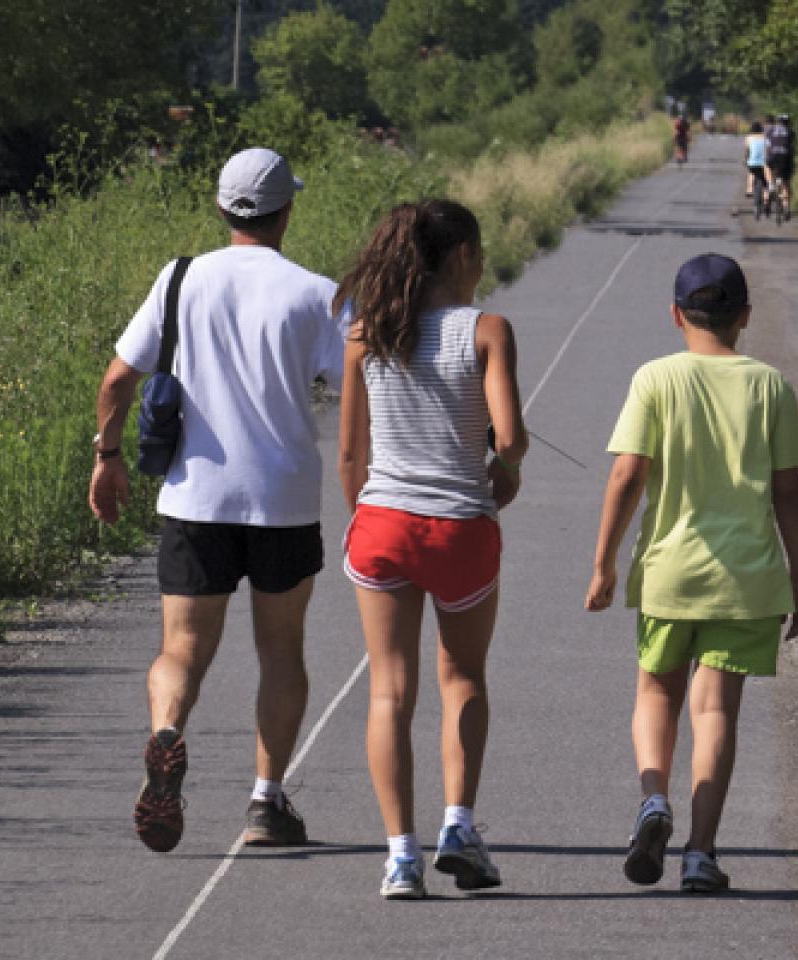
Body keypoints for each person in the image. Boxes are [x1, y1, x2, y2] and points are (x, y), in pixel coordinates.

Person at [89, 147, 343, 854]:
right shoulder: (315, 293)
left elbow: (117, 381)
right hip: (283, 499)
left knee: (181, 648)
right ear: (286, 210)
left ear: (222, 208)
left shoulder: (179, 280)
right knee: (281, 649)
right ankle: (266, 803)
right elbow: (361, 382)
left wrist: (108, 458)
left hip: (195, 499)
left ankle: (167, 732)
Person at [585, 254, 798, 894]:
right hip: (746, 580)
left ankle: (654, 798)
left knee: (657, 693)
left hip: (670, 574)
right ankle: (701, 853)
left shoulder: (656, 379)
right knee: (717, 713)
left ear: (676, 314)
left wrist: (603, 563)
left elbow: (627, 475)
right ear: (745, 317)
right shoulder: (770, 386)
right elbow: (789, 492)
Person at [335, 200, 527, 900]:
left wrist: (365, 516)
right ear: (462, 258)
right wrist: (506, 472)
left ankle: (400, 858)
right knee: (463, 677)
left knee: (389, 689)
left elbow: (351, 453)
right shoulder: (487, 330)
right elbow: (508, 440)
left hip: (383, 521)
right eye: (480, 256)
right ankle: (459, 824)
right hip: (459, 527)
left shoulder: (367, 332)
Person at [764, 113, 796, 210]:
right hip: (785, 157)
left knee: (767, 166)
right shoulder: (791, 132)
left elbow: (767, 146)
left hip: (773, 156)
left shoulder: (770, 131)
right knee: (786, 180)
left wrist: (767, 157)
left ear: (777, 121)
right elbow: (792, 147)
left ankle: (770, 185)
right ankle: (786, 205)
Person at [742, 121, 770, 207]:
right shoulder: (765, 138)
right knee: (765, 182)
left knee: (751, 172)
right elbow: (768, 150)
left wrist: (745, 159)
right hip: (764, 164)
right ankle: (766, 199)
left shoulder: (748, 138)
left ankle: (749, 189)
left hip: (753, 163)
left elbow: (746, 151)